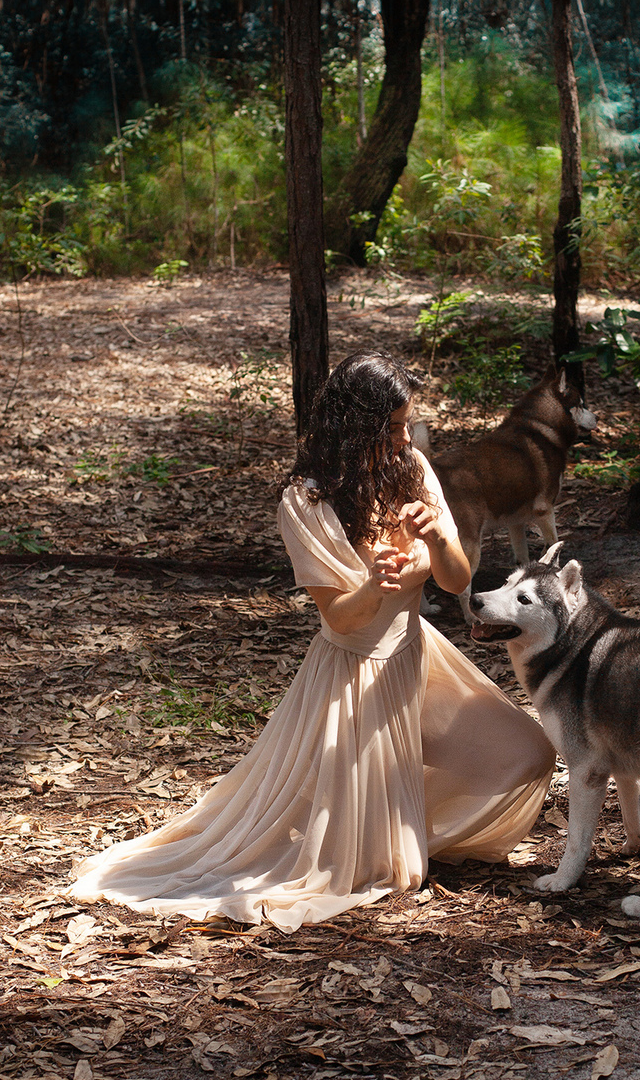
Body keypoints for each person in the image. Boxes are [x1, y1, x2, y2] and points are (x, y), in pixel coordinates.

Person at [69, 352, 556, 929]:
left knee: (527, 752)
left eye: (406, 424)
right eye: (393, 427)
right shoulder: (306, 501)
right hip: (354, 674)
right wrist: (374, 585)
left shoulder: (413, 468)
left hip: (416, 655)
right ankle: (373, 820)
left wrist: (439, 540)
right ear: (355, 427)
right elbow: (341, 620)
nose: (405, 438)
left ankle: (400, 816)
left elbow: (455, 581)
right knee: (389, 872)